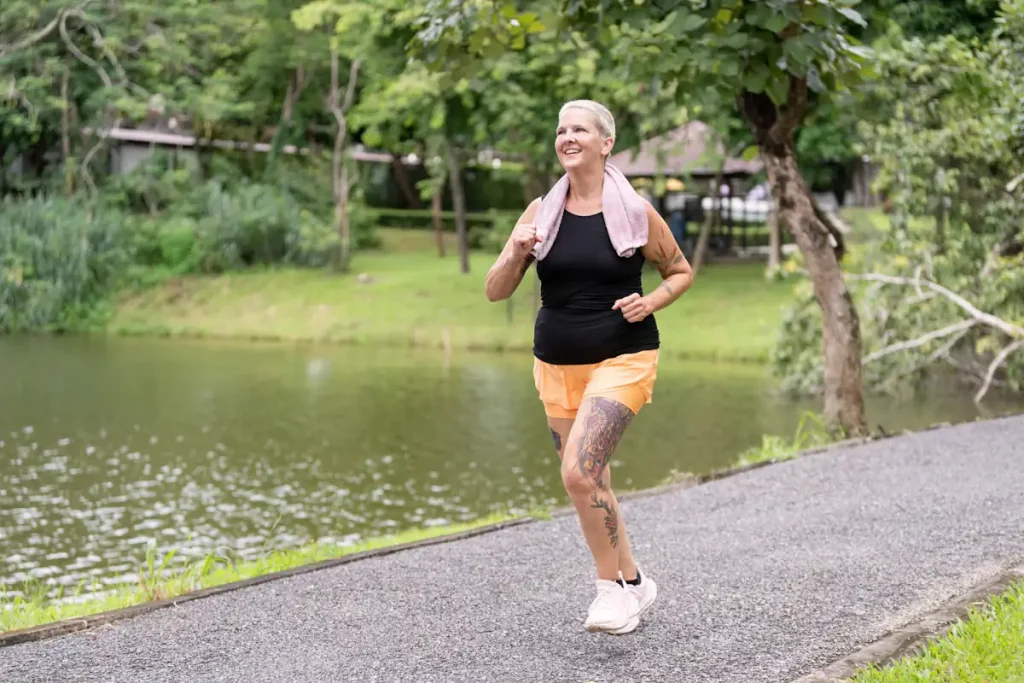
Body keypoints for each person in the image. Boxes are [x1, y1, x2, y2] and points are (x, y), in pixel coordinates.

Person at [484, 100, 694, 635]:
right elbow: (495, 291)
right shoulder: (539, 214)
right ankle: (637, 581)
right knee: (592, 478)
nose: (567, 136)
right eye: (560, 129)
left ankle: (611, 592)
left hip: (624, 357)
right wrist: (514, 250)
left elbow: (679, 271)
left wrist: (651, 302)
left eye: (580, 129)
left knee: (578, 472)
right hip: (556, 365)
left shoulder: (636, 212)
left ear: (606, 144)